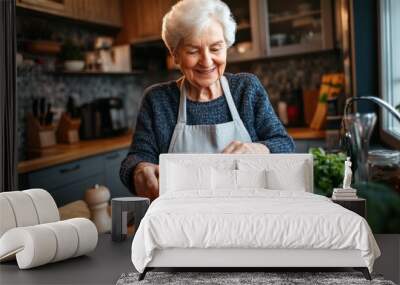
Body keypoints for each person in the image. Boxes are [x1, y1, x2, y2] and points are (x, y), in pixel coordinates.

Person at [120, 0, 295, 200]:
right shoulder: (158, 100)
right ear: (175, 55)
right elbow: (136, 158)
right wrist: (139, 170)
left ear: (226, 47)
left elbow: (285, 144)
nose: (207, 61)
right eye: (193, 51)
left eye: (215, 48)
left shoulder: (246, 89)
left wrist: (258, 149)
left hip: (249, 215)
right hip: (182, 220)